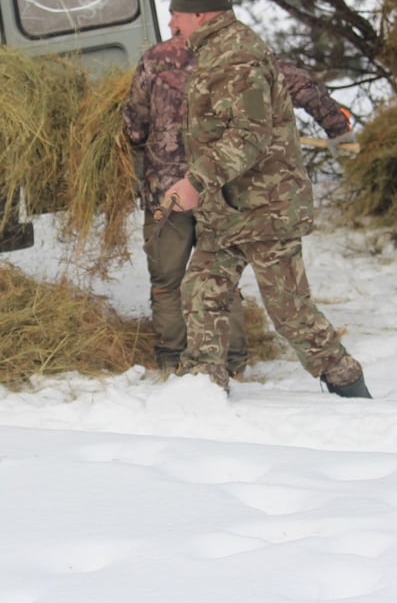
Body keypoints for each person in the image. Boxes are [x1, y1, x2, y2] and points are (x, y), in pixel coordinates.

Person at [160, 0, 372, 398]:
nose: (171, 23)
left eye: (176, 14)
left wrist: (196, 181)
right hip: (230, 209)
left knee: (289, 310)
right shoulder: (217, 50)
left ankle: (346, 382)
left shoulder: (237, 56)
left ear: (200, 14)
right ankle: (203, 386)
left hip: (265, 209)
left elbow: (249, 135)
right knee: (202, 289)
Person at [122, 20, 357, 381]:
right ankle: (232, 360)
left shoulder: (156, 60)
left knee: (170, 281)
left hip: (168, 190)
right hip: (225, 190)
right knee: (219, 279)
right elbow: (304, 86)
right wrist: (338, 128)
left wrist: (147, 142)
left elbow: (134, 125)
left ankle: (173, 358)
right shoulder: (242, 56)